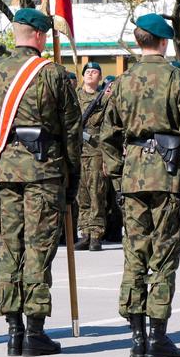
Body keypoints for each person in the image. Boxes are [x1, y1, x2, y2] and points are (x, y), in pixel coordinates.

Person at [101, 13, 180, 357]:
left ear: (139, 41)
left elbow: (108, 136)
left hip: (133, 175)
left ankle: (135, 337)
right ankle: (157, 337)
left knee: (134, 254)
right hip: (168, 174)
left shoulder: (122, 82)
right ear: (164, 42)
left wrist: (117, 178)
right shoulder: (179, 80)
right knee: (163, 257)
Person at [0, 8, 81, 357]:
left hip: (8, 171)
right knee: (39, 248)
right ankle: (35, 331)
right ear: (40, 36)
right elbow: (72, 129)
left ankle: (13, 329)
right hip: (44, 170)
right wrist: (73, 173)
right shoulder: (52, 73)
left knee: (12, 246)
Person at [75, 61, 107, 251]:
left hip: (96, 151)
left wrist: (106, 156)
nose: (90, 74)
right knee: (82, 195)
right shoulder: (74, 97)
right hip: (77, 151)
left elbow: (108, 128)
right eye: (88, 71)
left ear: (99, 77)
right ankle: (85, 232)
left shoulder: (104, 100)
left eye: (95, 72)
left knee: (97, 193)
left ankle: (96, 234)